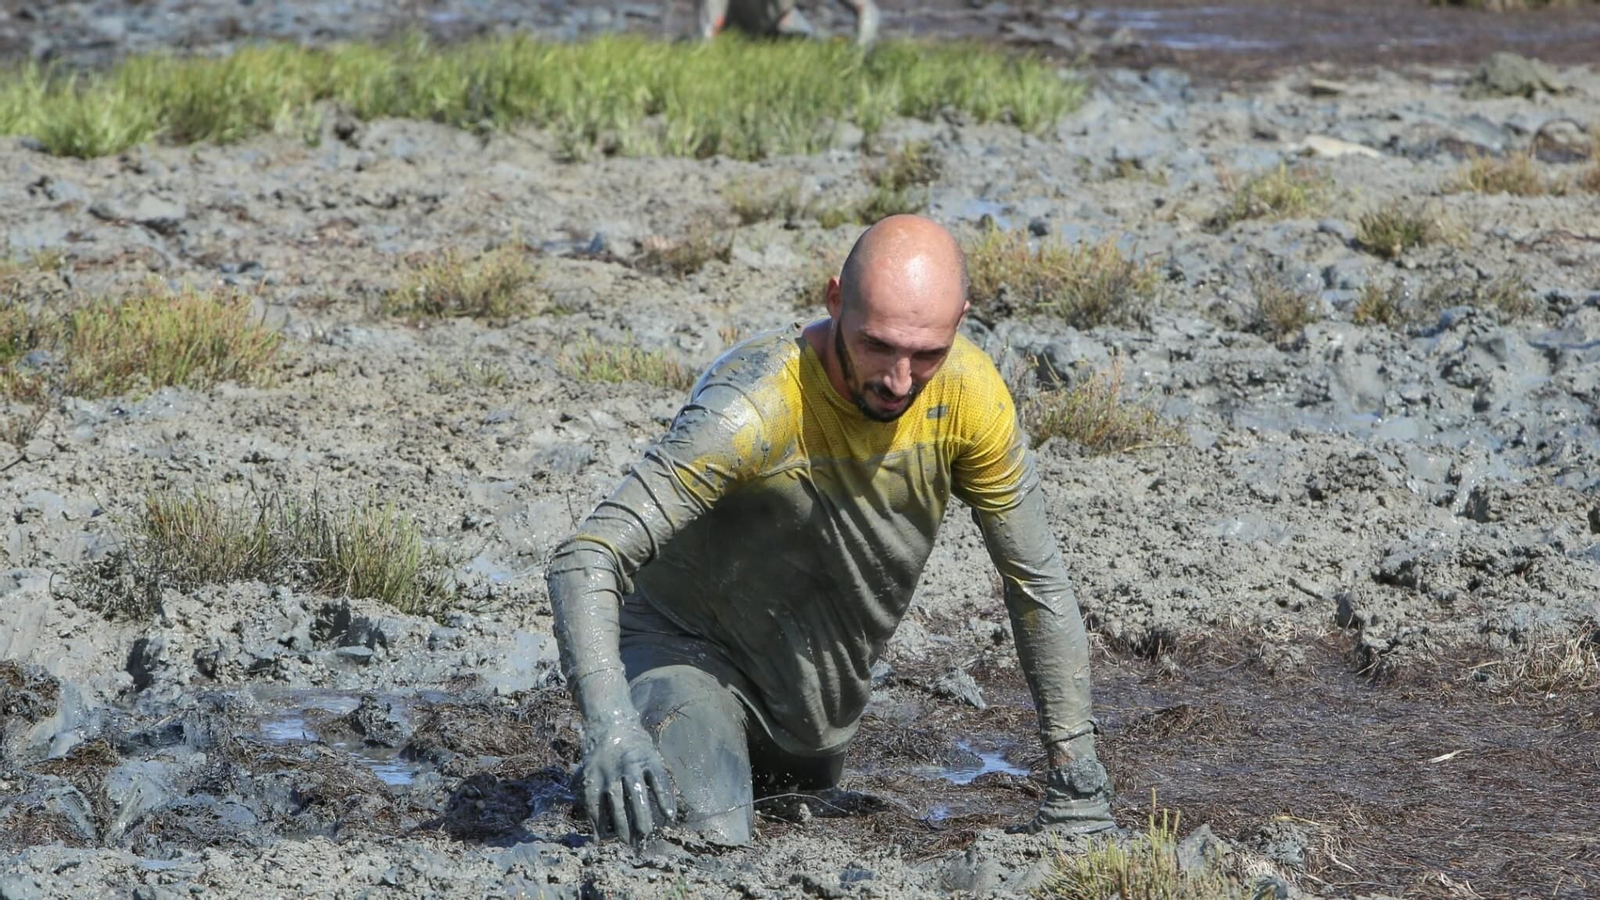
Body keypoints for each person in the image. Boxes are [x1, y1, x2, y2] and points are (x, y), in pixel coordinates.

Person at [546, 215, 1114, 846]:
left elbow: (1037, 586)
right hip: (688, 659)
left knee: (794, 797)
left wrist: (1076, 784)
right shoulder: (759, 404)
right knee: (706, 845)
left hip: (814, 726)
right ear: (835, 299)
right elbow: (588, 557)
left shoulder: (969, 398)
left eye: (927, 354)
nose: (900, 381)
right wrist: (611, 728)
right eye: (878, 345)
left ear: (961, 320)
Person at [695, 0, 880, 48]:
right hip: (733, 30)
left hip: (781, 24)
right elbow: (709, 28)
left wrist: (860, 55)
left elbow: (867, 9)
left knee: (817, 43)